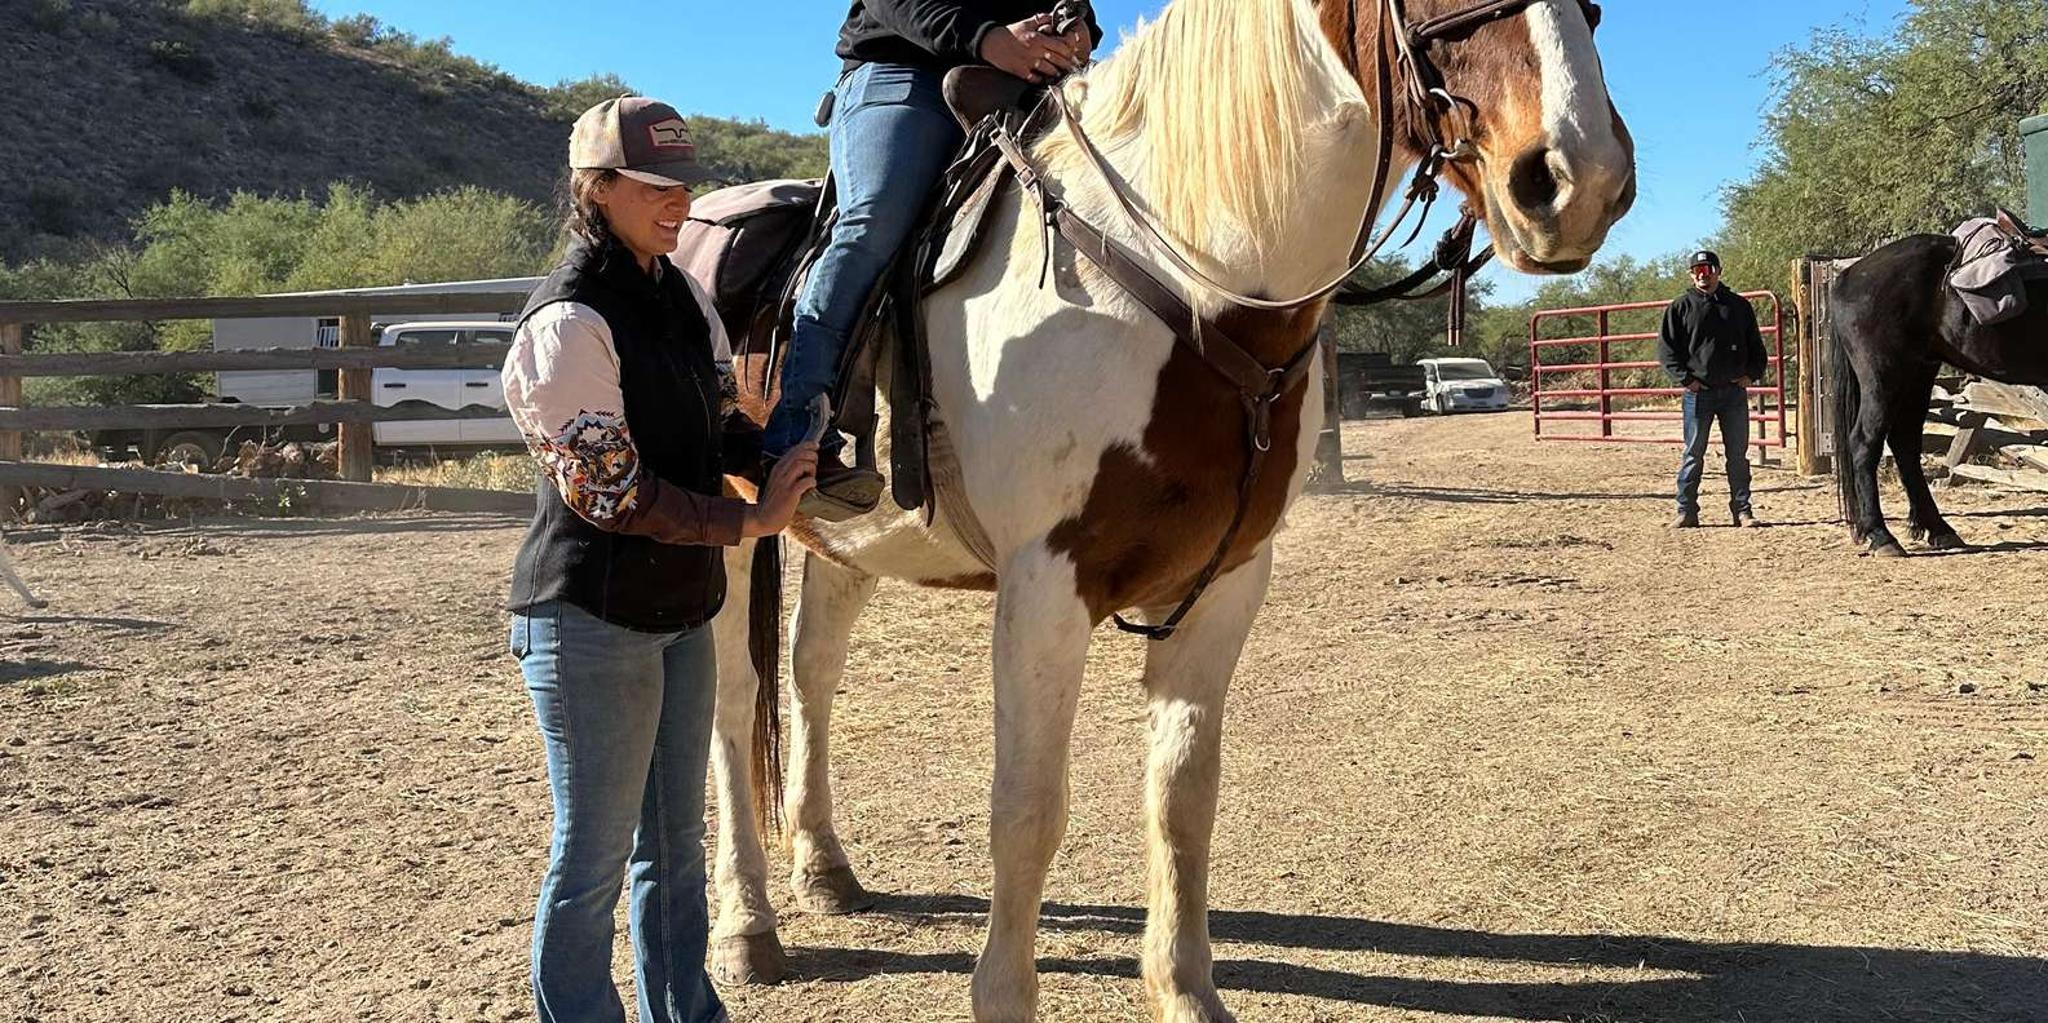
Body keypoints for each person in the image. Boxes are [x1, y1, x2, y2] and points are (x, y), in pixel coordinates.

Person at [502, 96, 818, 1023]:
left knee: (678, 844)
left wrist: (782, 461)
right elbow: (611, 492)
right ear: (595, 191)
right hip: (587, 619)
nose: (679, 202)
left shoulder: (679, 295)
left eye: (683, 184)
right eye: (653, 187)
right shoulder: (566, 318)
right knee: (592, 856)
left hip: (678, 610)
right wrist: (751, 524)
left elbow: (715, 421)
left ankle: (690, 1011)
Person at [760, 1, 1102, 519]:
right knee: (872, 224)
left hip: (1024, 85)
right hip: (905, 73)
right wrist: (989, 39)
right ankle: (797, 434)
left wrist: (1077, 32)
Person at [1658, 249, 1768, 529]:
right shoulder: (1680, 307)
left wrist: (1751, 375)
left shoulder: (1738, 306)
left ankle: (1743, 511)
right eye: (1697, 270)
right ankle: (1686, 511)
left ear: (1719, 271)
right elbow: (1667, 350)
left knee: (1738, 456)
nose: (1702, 274)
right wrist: (1686, 380)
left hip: (1733, 393)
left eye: (1707, 268)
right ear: (1691, 274)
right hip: (1698, 394)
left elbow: (1757, 347)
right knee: (1693, 453)